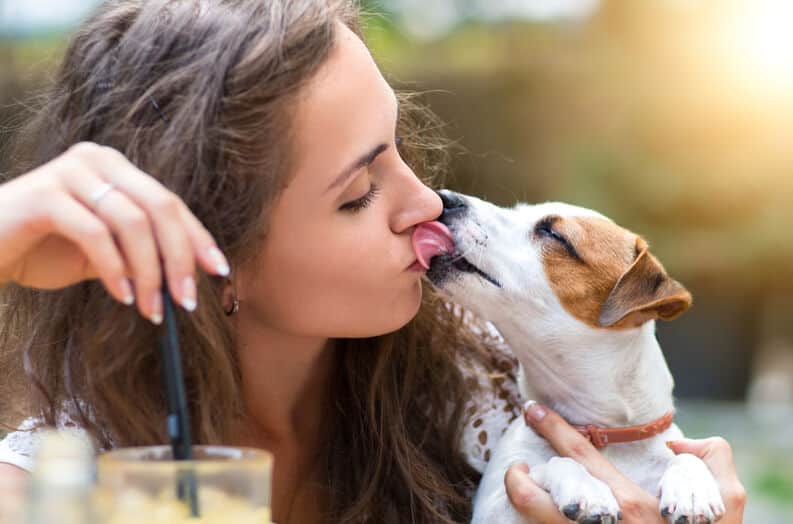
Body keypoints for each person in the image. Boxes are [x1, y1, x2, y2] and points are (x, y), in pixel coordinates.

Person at [0, 1, 746, 522]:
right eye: (357, 193)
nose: (427, 202)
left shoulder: (488, 383)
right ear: (215, 256)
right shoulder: (66, 482)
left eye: (398, 148)